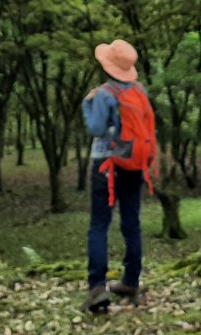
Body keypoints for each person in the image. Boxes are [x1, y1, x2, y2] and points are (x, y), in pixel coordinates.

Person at [81, 38, 153, 313]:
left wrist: (87, 105)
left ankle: (97, 286)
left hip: (106, 166)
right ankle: (131, 280)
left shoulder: (103, 94)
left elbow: (97, 128)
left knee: (100, 224)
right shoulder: (140, 90)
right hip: (134, 163)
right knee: (131, 221)